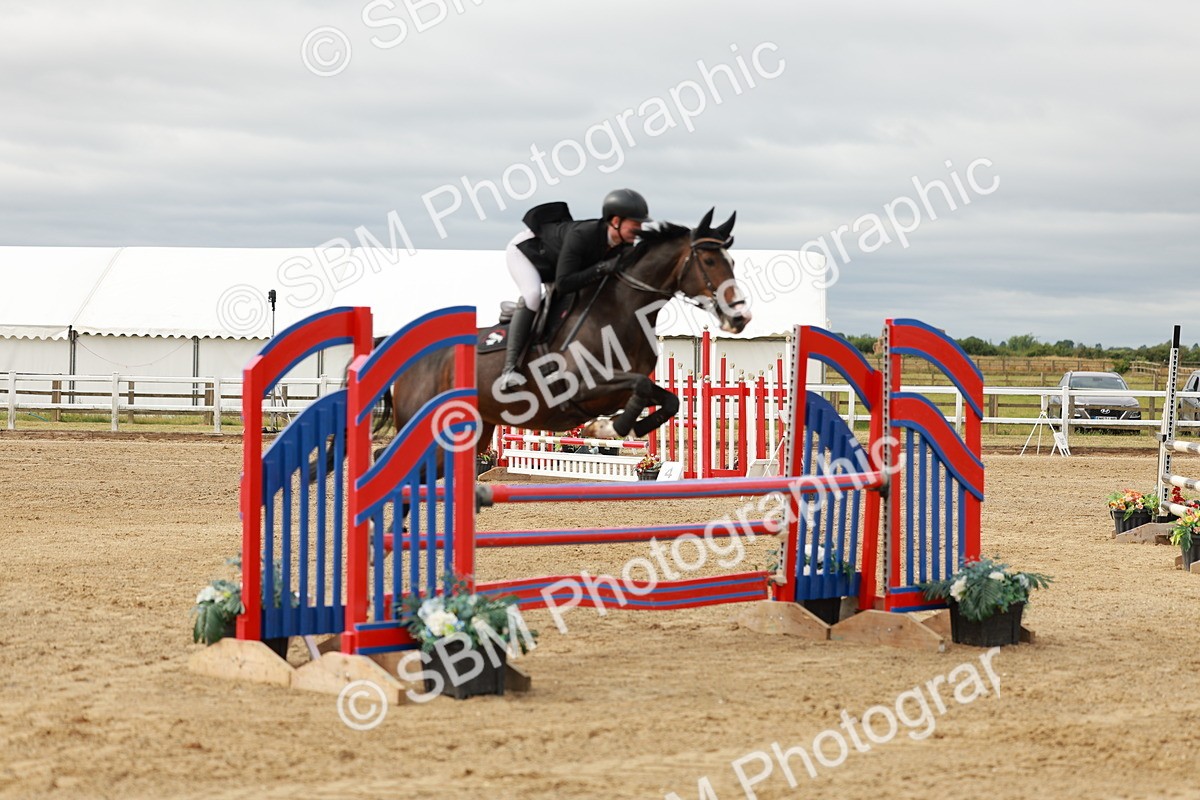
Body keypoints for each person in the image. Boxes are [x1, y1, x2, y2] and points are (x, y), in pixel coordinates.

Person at [500, 188, 651, 389]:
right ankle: (510, 369)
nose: (639, 230)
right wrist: (601, 268)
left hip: (557, 261)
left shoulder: (623, 246)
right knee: (533, 294)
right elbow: (564, 283)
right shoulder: (583, 236)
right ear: (616, 221)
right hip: (528, 252)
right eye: (635, 224)